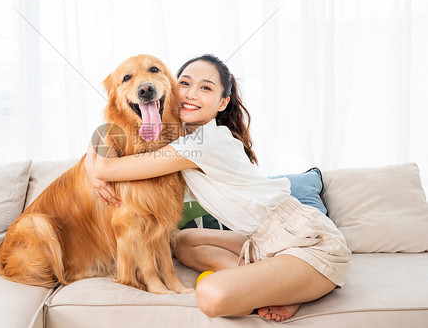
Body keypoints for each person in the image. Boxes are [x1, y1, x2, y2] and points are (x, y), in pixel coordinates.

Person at [84, 54, 351, 321]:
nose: (191, 94)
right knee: (184, 242)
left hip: (309, 243)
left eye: (206, 88)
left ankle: (287, 288)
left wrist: (94, 169)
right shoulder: (180, 136)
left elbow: (107, 168)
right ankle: (274, 282)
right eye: (185, 84)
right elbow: (112, 137)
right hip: (262, 241)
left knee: (211, 293)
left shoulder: (202, 143)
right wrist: (93, 150)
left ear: (223, 102)